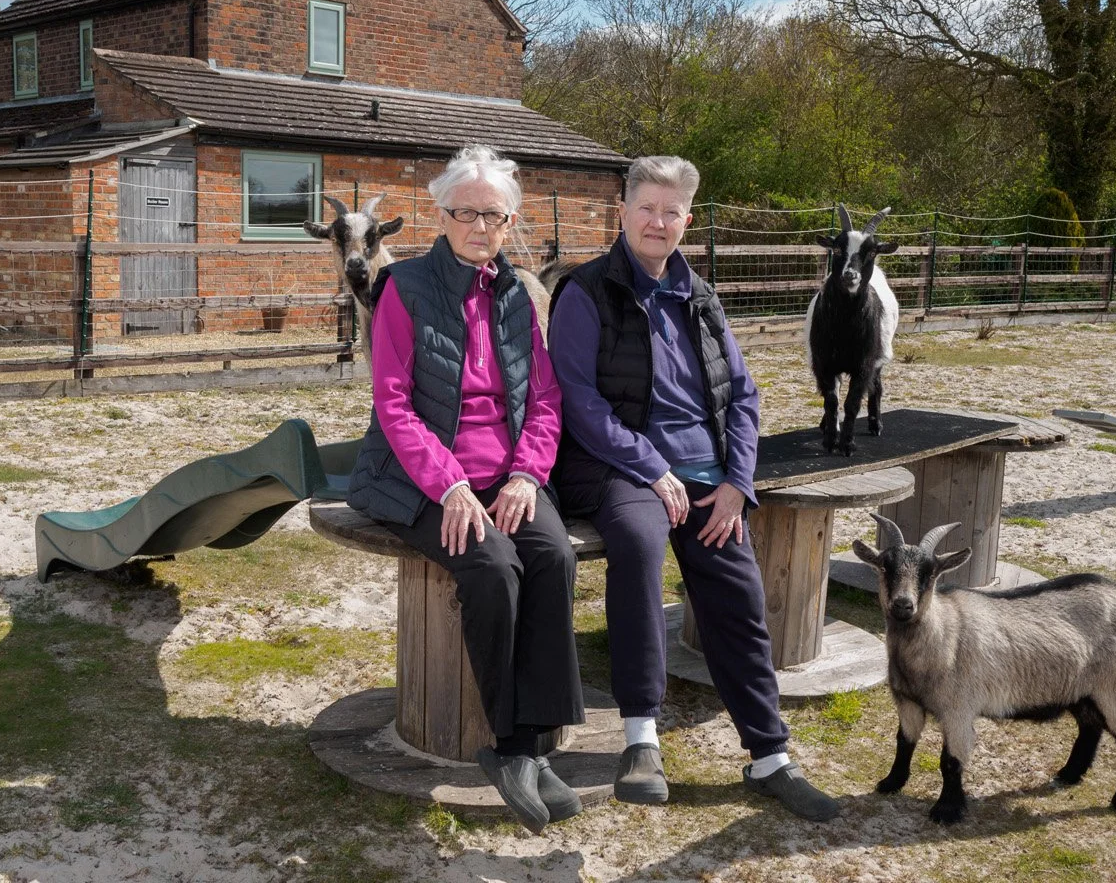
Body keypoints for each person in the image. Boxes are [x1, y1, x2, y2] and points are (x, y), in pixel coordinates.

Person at [548, 156, 840, 822]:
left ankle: (770, 757)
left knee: (739, 591)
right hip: (621, 468)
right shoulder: (584, 292)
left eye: (671, 211)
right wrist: (651, 468)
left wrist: (738, 481)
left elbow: (742, 394)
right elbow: (578, 402)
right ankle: (640, 739)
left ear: (687, 221)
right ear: (622, 212)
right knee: (638, 548)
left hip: (707, 476)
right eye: (646, 207)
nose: (658, 221)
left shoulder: (700, 297)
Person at [346, 144, 584, 834]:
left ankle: (533, 748)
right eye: (466, 213)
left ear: (511, 223)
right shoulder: (405, 290)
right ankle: (514, 748)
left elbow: (544, 400)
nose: (481, 227)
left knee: (553, 556)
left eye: (495, 215)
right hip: (420, 478)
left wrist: (526, 475)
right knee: (492, 566)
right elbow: (393, 405)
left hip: (506, 475)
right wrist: (450, 484)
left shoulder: (516, 295)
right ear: (441, 214)